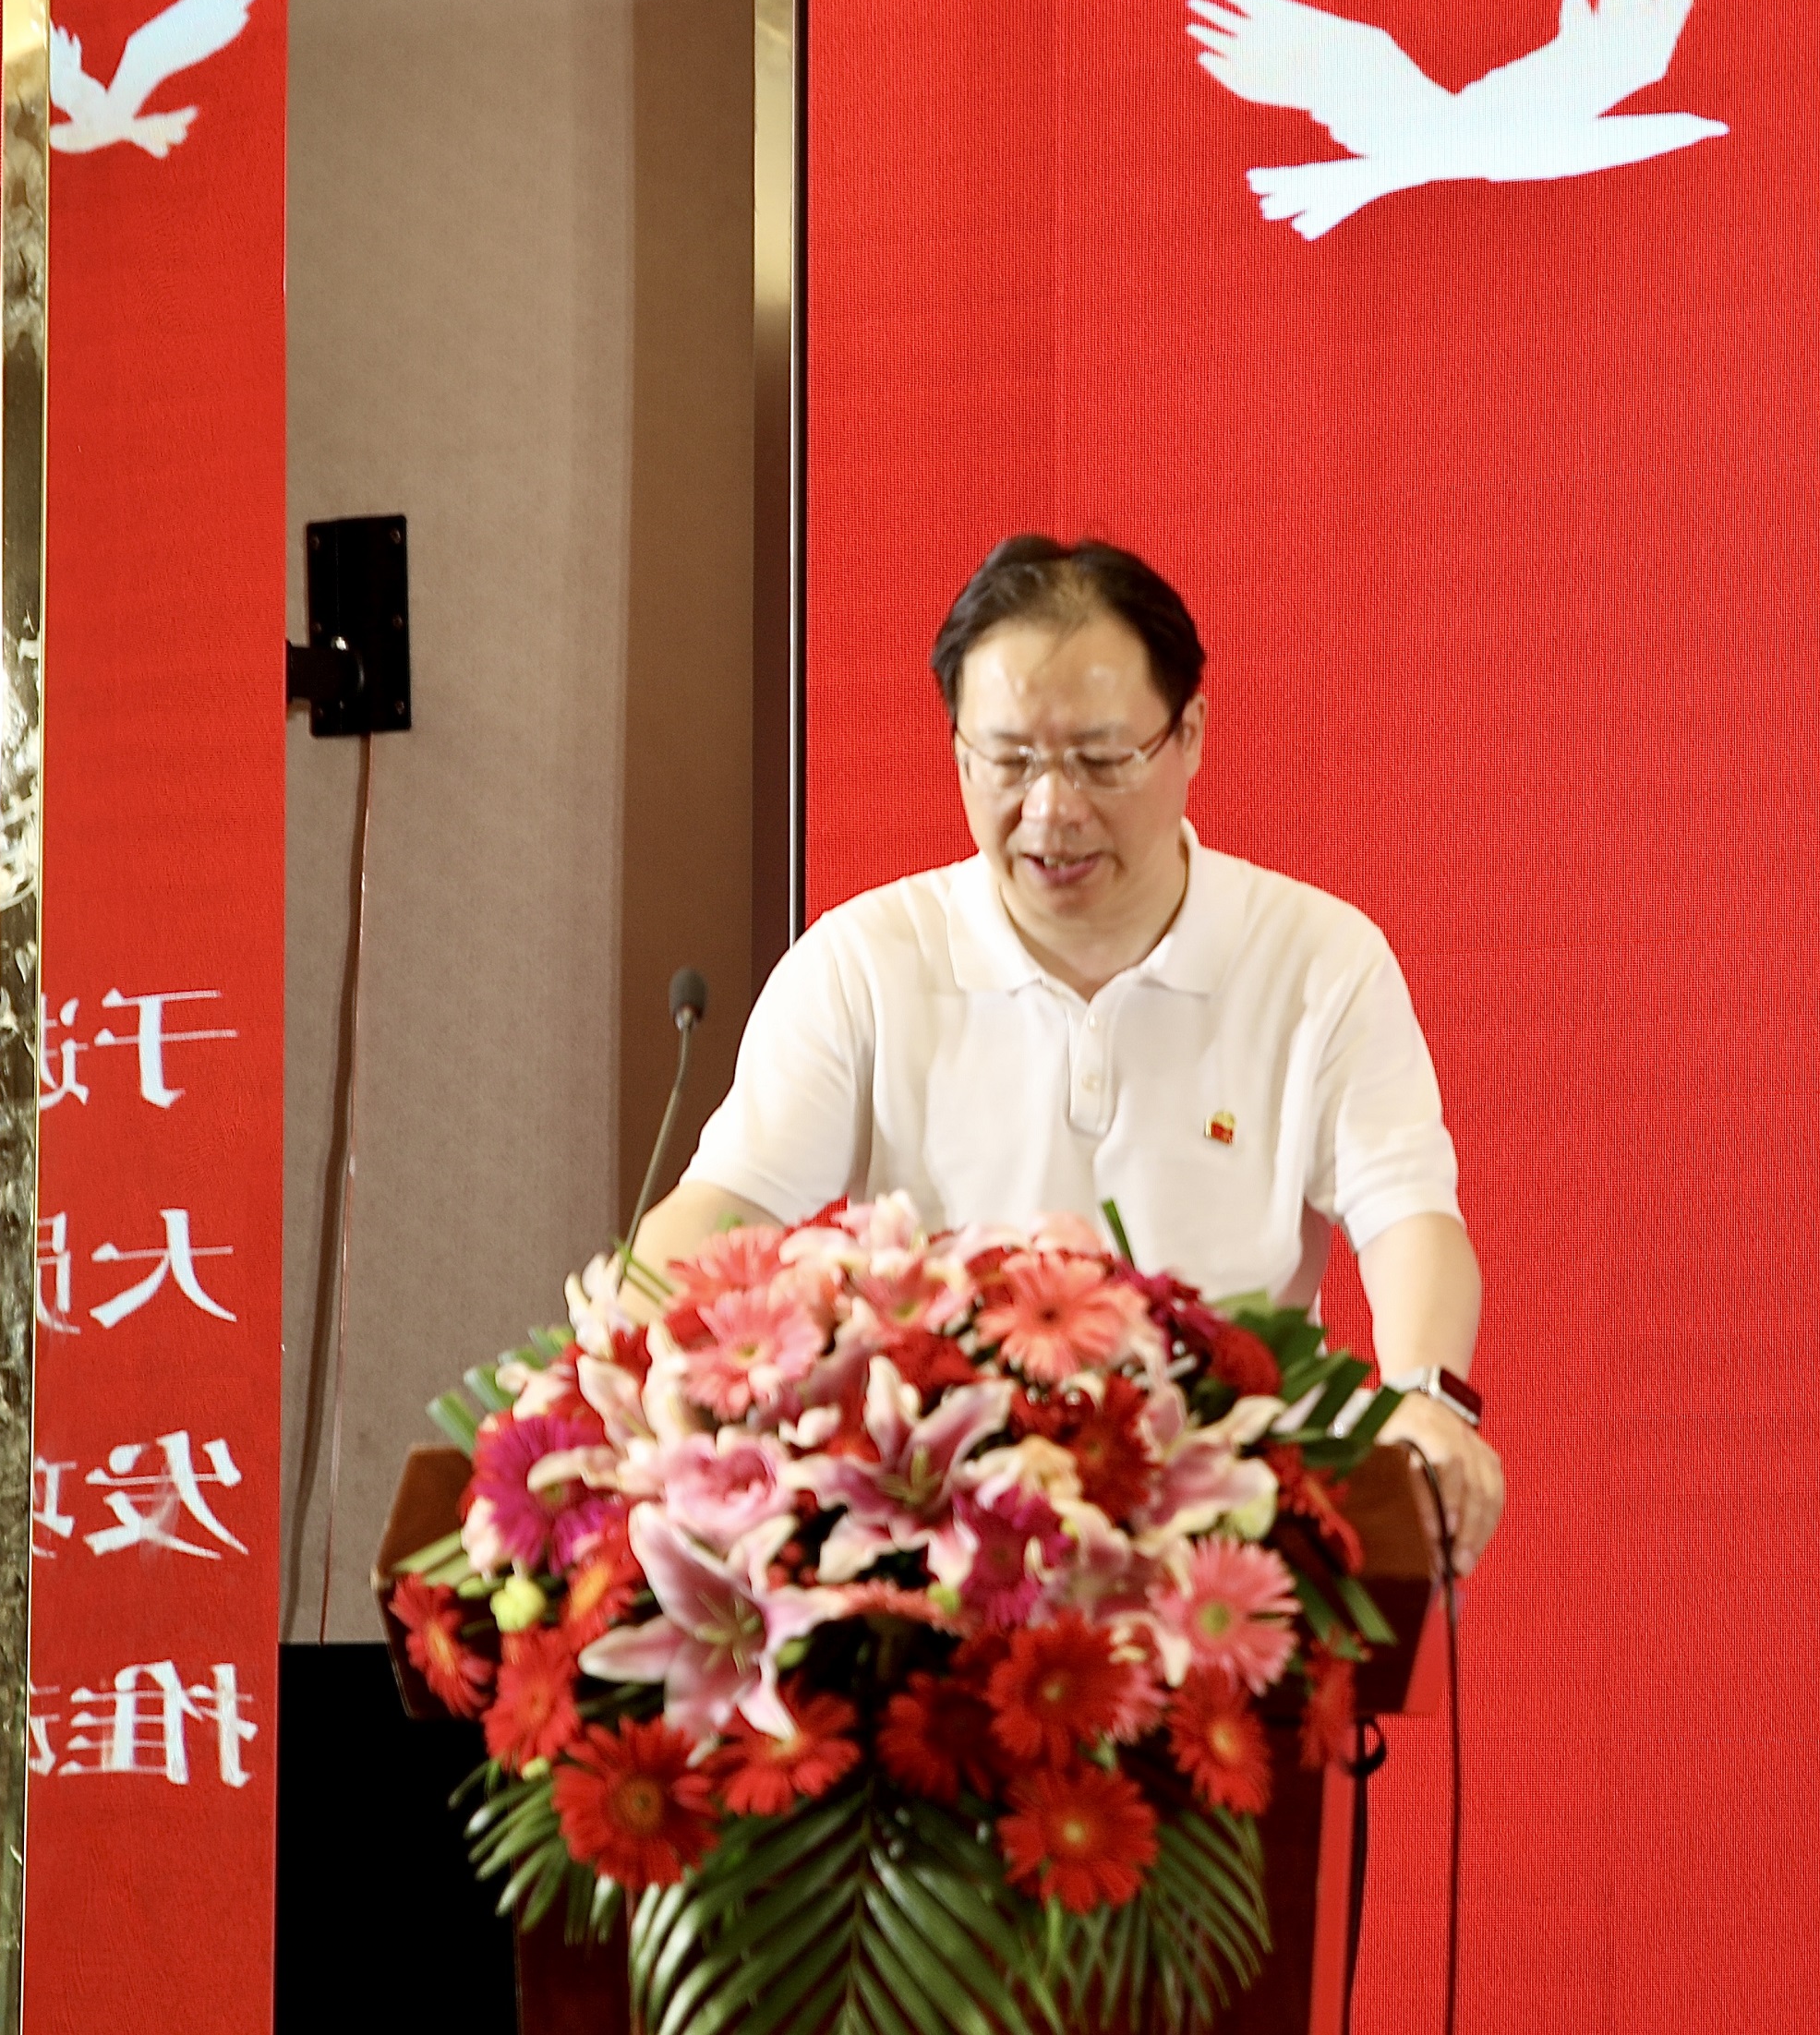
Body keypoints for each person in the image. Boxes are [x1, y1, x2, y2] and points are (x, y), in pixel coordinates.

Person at [633, 534, 1506, 1573]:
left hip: (1228, 1537)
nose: (1050, 809)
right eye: (1008, 762)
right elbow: (724, 1206)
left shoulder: (1318, 959)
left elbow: (1407, 1216)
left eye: (1098, 760)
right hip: (939, 1547)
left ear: (1188, 735)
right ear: (959, 749)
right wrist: (624, 1350)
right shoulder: (862, 963)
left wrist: (1424, 1396)